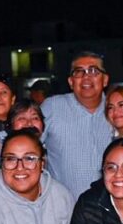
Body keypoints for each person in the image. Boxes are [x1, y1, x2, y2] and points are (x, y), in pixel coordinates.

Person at [41, 51, 114, 197]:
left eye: (93, 71)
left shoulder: (116, 110)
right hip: (64, 206)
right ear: (70, 81)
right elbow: (24, 138)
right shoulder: (52, 107)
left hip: (111, 206)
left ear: (105, 80)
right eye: (79, 72)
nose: (86, 77)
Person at [0, 98, 44, 164]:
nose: (29, 123)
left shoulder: (47, 143)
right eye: (22, 118)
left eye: (35, 118)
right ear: (11, 125)